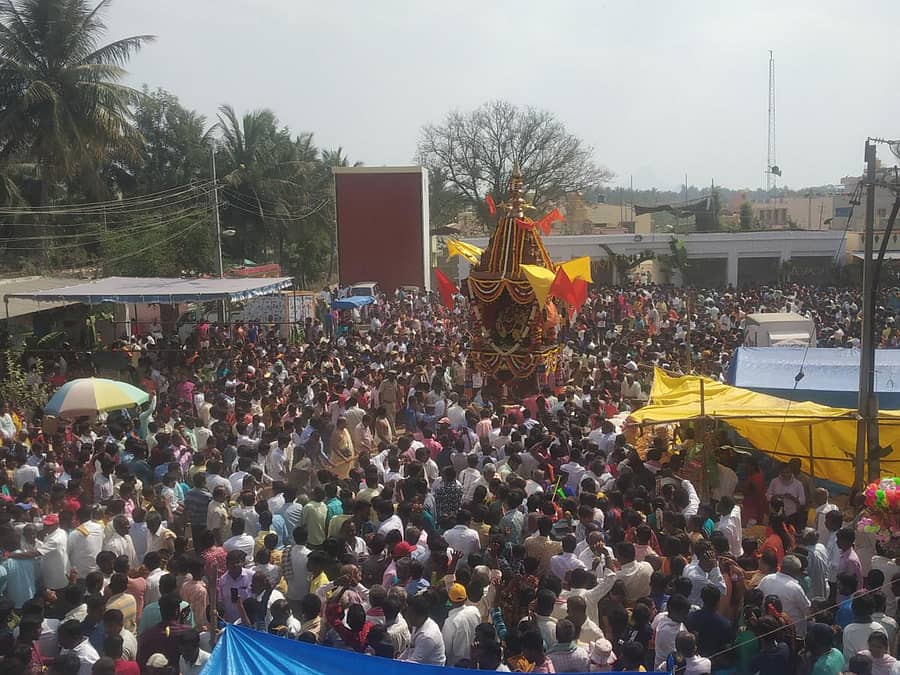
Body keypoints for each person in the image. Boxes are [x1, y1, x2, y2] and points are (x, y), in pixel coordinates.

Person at [442, 583, 480, 666]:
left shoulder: (450, 622)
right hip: (474, 663)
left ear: (450, 600)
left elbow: (445, 650)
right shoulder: (475, 611)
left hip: (456, 666)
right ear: (466, 598)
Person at [400, 596, 445, 665]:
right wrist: (396, 662)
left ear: (417, 615)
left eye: (409, 614)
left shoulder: (427, 636)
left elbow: (413, 663)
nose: (406, 616)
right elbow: (409, 650)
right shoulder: (417, 625)